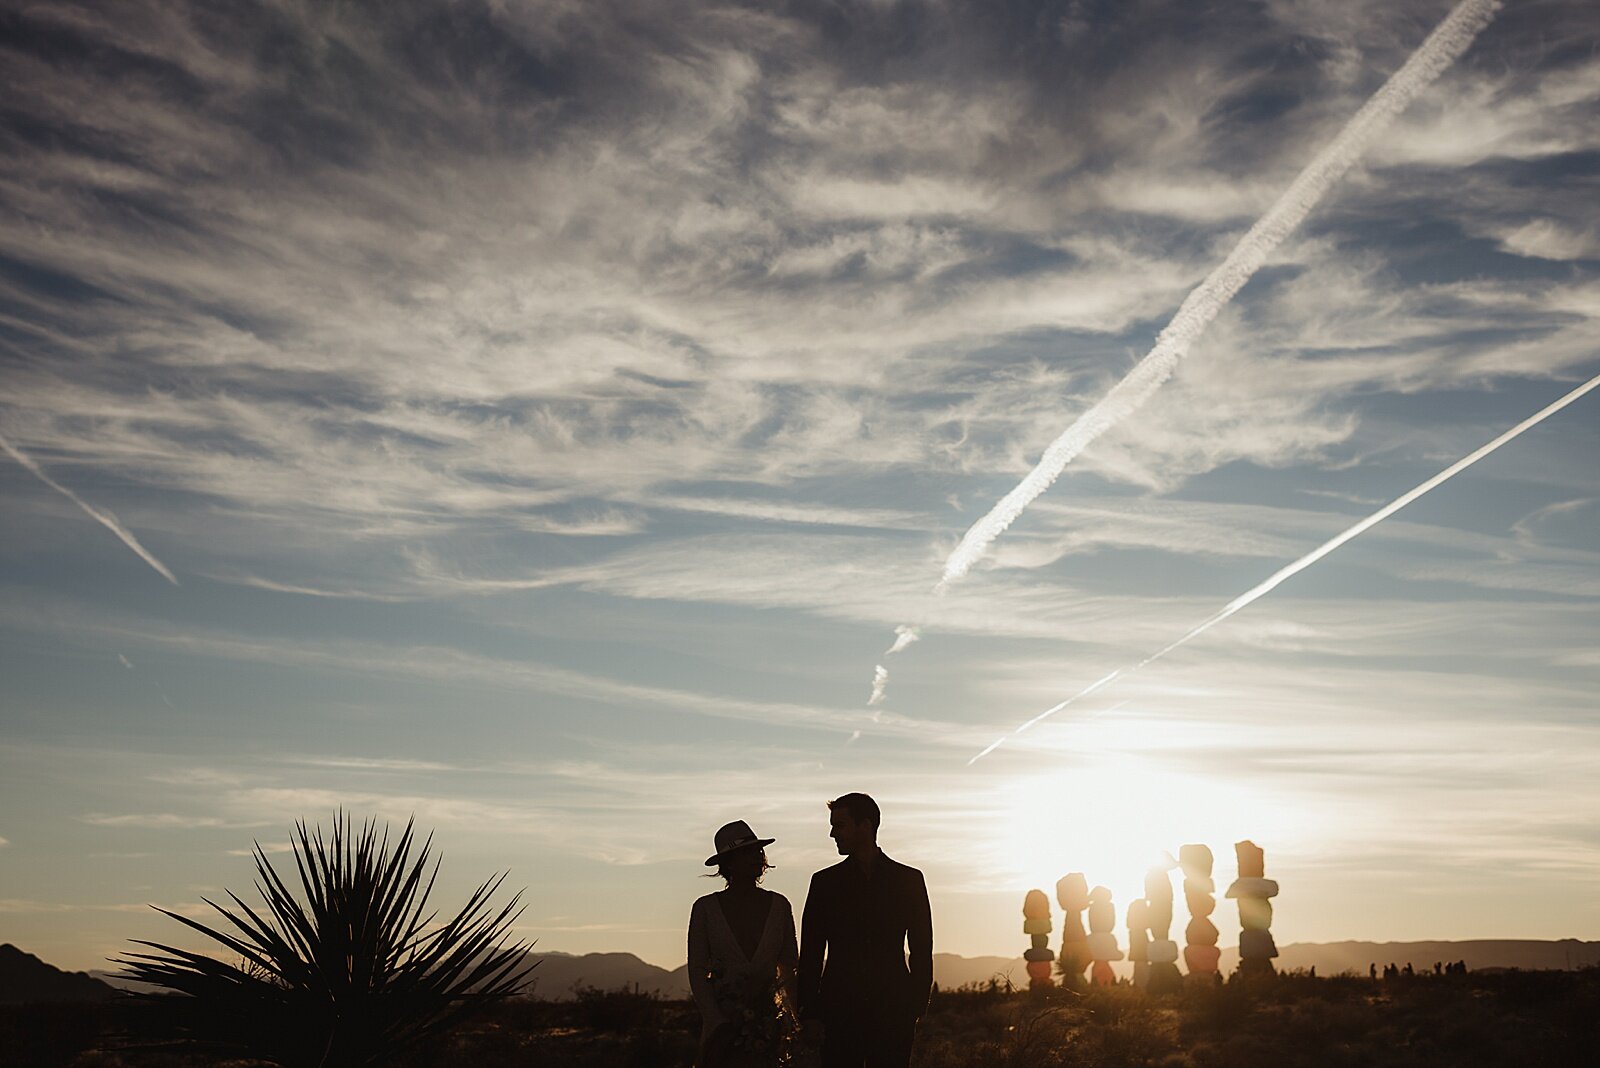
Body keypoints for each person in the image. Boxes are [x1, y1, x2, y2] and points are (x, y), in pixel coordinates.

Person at [798, 793, 932, 1068]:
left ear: (865, 825)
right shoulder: (824, 883)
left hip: (894, 1010)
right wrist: (809, 1012)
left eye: (839, 825)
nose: (832, 833)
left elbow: (921, 948)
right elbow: (810, 952)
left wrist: (916, 1004)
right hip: (838, 1012)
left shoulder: (909, 880)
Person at [688, 820, 799, 1067]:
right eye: (748, 851)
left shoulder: (780, 906)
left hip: (769, 1029)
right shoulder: (705, 909)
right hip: (721, 1035)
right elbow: (696, 970)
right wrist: (716, 1021)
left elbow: (790, 966)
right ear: (729, 862)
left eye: (758, 850)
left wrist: (794, 1021)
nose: (757, 856)